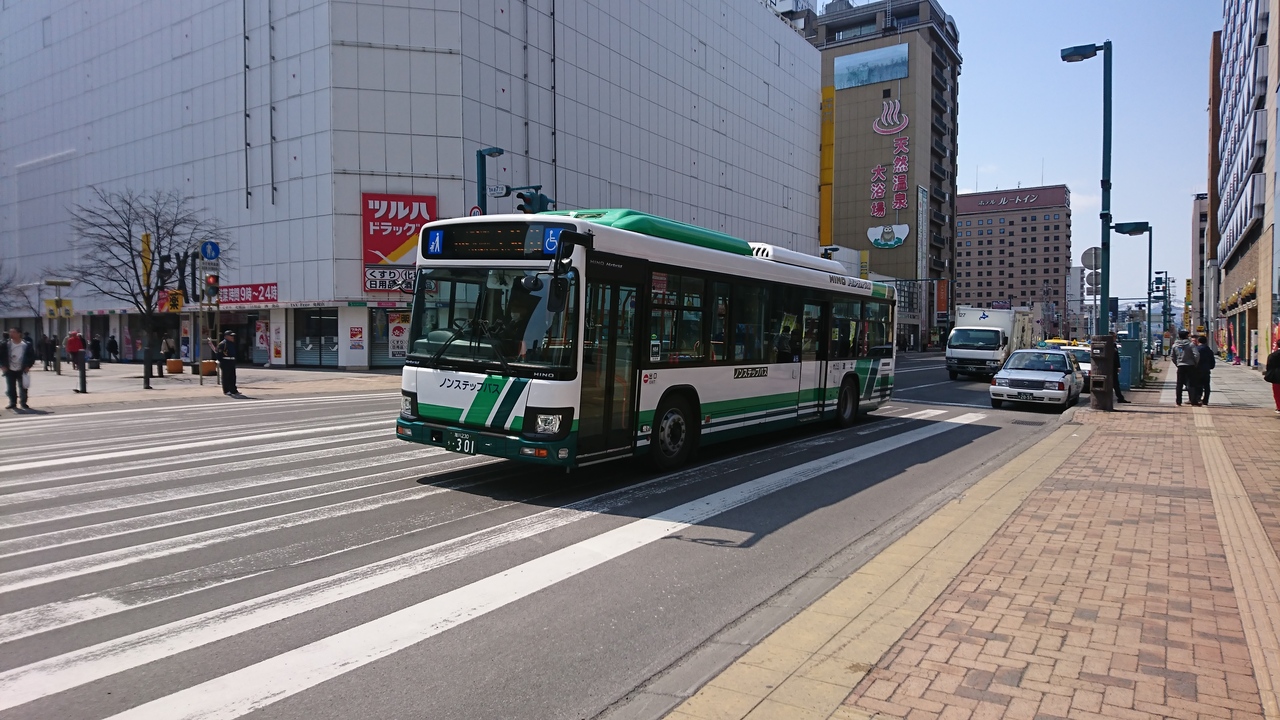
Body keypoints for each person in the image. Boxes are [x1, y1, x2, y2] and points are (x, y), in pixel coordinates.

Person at [3, 327, 36, 410]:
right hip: (9, 369)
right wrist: (2, 366)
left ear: (19, 334)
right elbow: (1, 355)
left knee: (23, 387)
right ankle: (12, 402)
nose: (11, 334)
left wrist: (28, 366)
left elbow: (32, 356)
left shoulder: (26, 345)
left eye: (13, 332)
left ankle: (23, 402)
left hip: (22, 368)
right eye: (10, 332)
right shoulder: (6, 344)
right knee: (11, 387)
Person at [1170, 330, 1201, 407]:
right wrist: (1195, 363)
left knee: (1179, 384)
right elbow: (1197, 355)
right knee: (1192, 383)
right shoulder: (1191, 345)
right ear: (1186, 336)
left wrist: (1177, 363)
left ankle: (1178, 401)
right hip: (1190, 365)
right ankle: (1193, 401)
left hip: (1180, 366)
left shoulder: (1175, 345)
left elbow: (1172, 356)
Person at [209, 330, 239, 395]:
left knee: (232, 376)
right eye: (230, 336)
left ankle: (233, 390)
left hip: (231, 361)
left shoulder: (232, 343)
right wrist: (221, 361)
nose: (232, 337)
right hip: (225, 361)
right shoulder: (223, 344)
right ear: (226, 336)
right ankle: (226, 390)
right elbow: (218, 353)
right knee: (226, 376)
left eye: (232, 336)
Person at [1195, 335, 1216, 406]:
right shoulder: (1209, 350)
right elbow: (1212, 361)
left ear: (1198, 341)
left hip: (1197, 370)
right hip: (1206, 370)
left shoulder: (1196, 349)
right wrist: (1210, 367)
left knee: (1198, 385)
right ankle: (1205, 400)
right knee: (1207, 385)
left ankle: (1198, 398)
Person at [1265, 337, 1280, 415]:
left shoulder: (1273, 355)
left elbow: (1269, 366)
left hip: (1276, 376)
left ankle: (1279, 407)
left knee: (1277, 393)